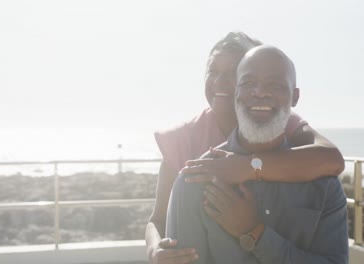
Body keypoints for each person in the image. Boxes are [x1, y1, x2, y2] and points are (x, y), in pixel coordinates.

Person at [145, 32, 345, 264]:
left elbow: (331, 158)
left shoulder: (288, 127)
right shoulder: (189, 164)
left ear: (293, 97)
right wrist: (154, 251)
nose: (260, 92)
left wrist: (248, 168)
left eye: (231, 73)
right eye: (213, 71)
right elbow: (158, 219)